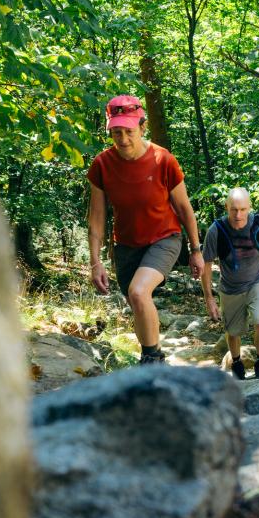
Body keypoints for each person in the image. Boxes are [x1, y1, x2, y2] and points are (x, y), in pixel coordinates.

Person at [87, 94, 204, 364]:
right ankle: (149, 355)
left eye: (129, 131)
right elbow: (96, 219)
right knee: (136, 302)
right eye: (116, 132)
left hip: (165, 238)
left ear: (142, 127)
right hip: (126, 245)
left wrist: (196, 250)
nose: (123, 139)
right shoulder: (102, 165)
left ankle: (153, 360)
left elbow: (185, 209)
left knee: (139, 292)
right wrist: (96, 262)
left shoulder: (164, 160)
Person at [201, 188, 259, 379]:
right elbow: (206, 265)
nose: (238, 215)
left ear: (250, 207)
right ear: (226, 207)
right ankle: (237, 362)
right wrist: (209, 298)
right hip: (230, 287)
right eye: (233, 209)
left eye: (242, 209)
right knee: (233, 331)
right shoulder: (216, 230)